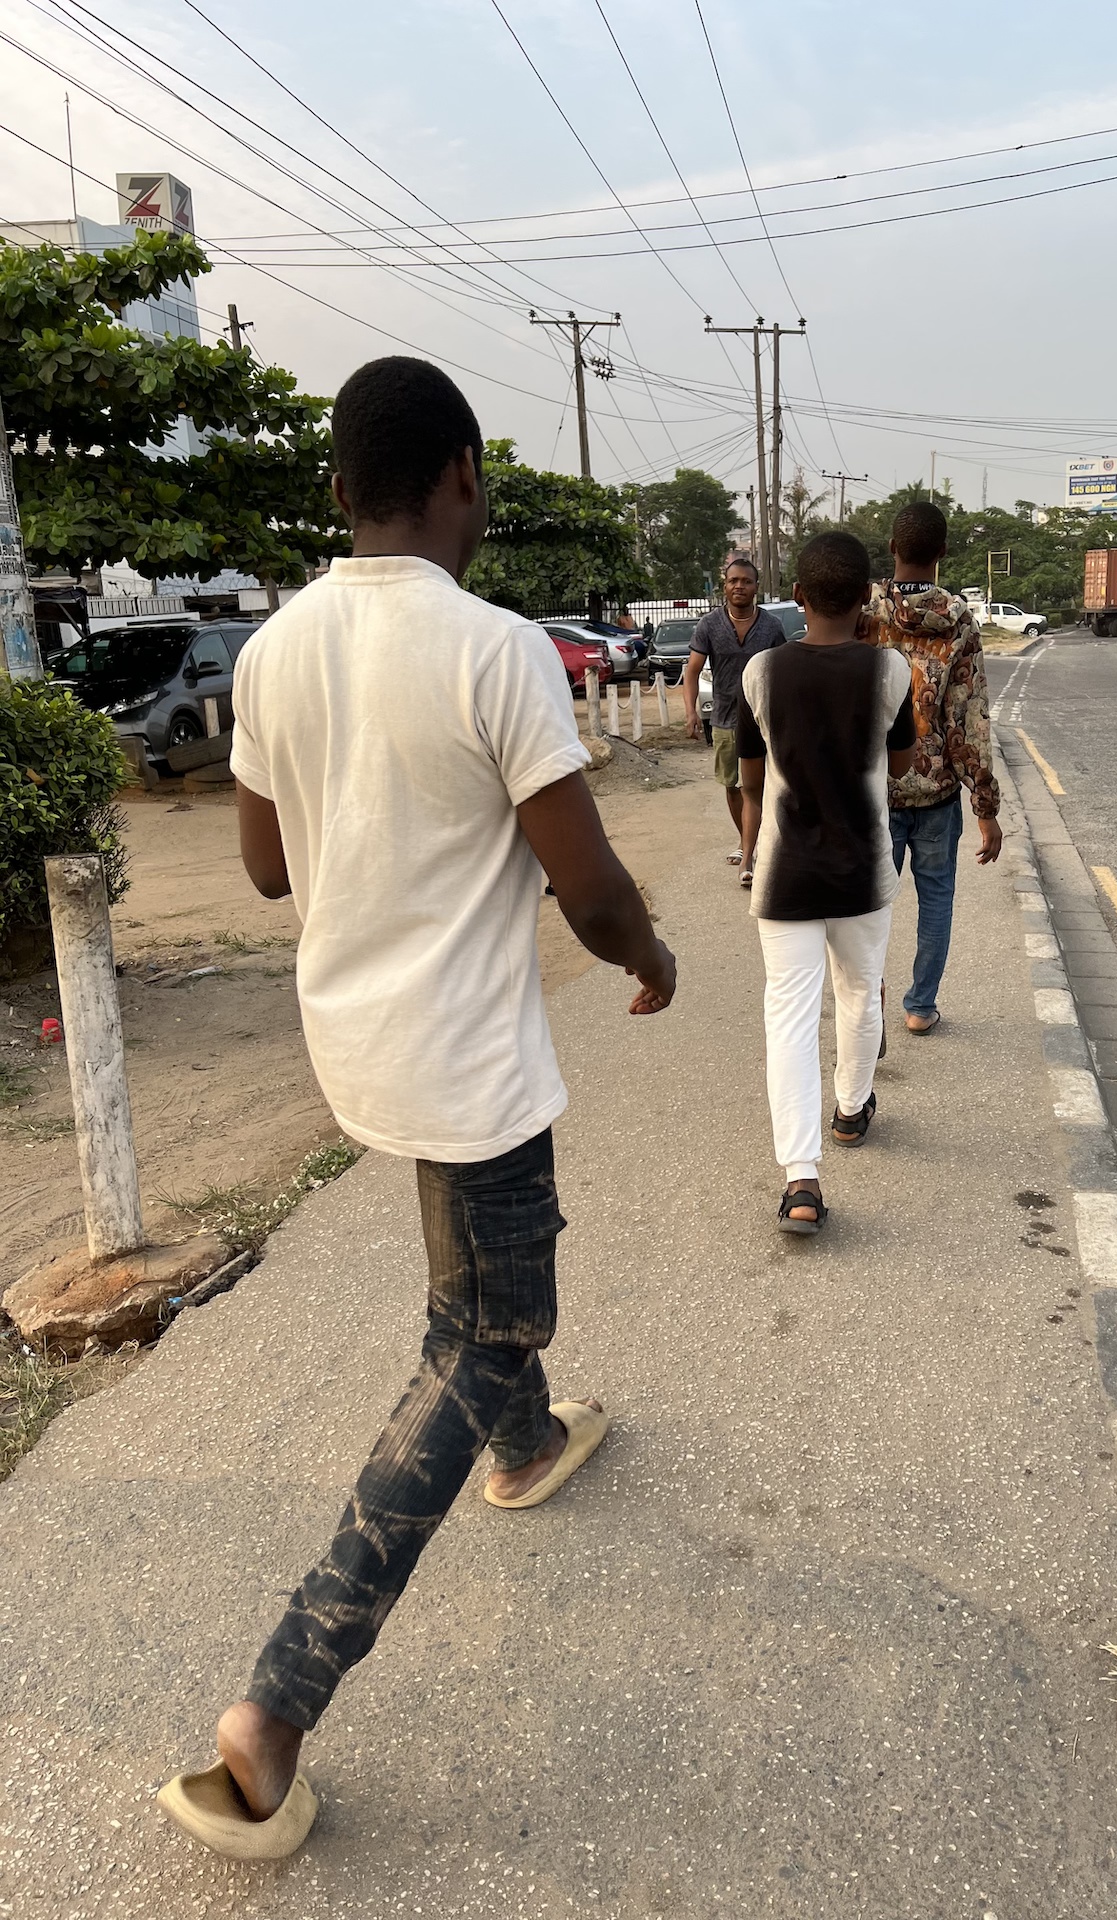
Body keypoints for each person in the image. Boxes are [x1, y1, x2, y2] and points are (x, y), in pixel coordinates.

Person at [180, 357, 677, 1850]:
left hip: (360, 1048)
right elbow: (587, 887)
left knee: (475, 1282)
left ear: (337, 488)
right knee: (485, 1329)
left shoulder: (272, 653)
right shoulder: (497, 647)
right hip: (466, 1065)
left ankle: (527, 1448)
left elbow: (267, 869)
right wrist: (651, 953)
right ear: (465, 472)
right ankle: (273, 1709)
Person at [737, 532, 915, 1234]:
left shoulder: (760, 674)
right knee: (858, 993)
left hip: (784, 877)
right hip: (865, 872)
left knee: (789, 1015)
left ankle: (801, 1181)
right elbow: (900, 767)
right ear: (866, 596)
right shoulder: (890, 671)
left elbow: (750, 777)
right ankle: (850, 1109)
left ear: (798, 596)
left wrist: (750, 844)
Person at [866, 501, 1001, 1037]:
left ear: (893, 547)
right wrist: (986, 807)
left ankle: (867, 1001)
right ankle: (920, 1006)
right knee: (936, 899)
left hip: (873, 790)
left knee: (870, 905)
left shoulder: (865, 610)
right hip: (938, 794)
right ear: (942, 552)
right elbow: (969, 718)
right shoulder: (959, 619)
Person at [682, 557, 788, 879]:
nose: (739, 586)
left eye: (746, 581)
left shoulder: (771, 627)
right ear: (724, 586)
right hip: (725, 719)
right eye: (733, 581)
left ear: (756, 587)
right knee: (732, 784)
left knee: (763, 785)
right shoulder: (710, 625)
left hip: (765, 720)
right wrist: (690, 712)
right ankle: (746, 844)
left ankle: (756, 848)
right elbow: (692, 671)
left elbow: (783, 672)